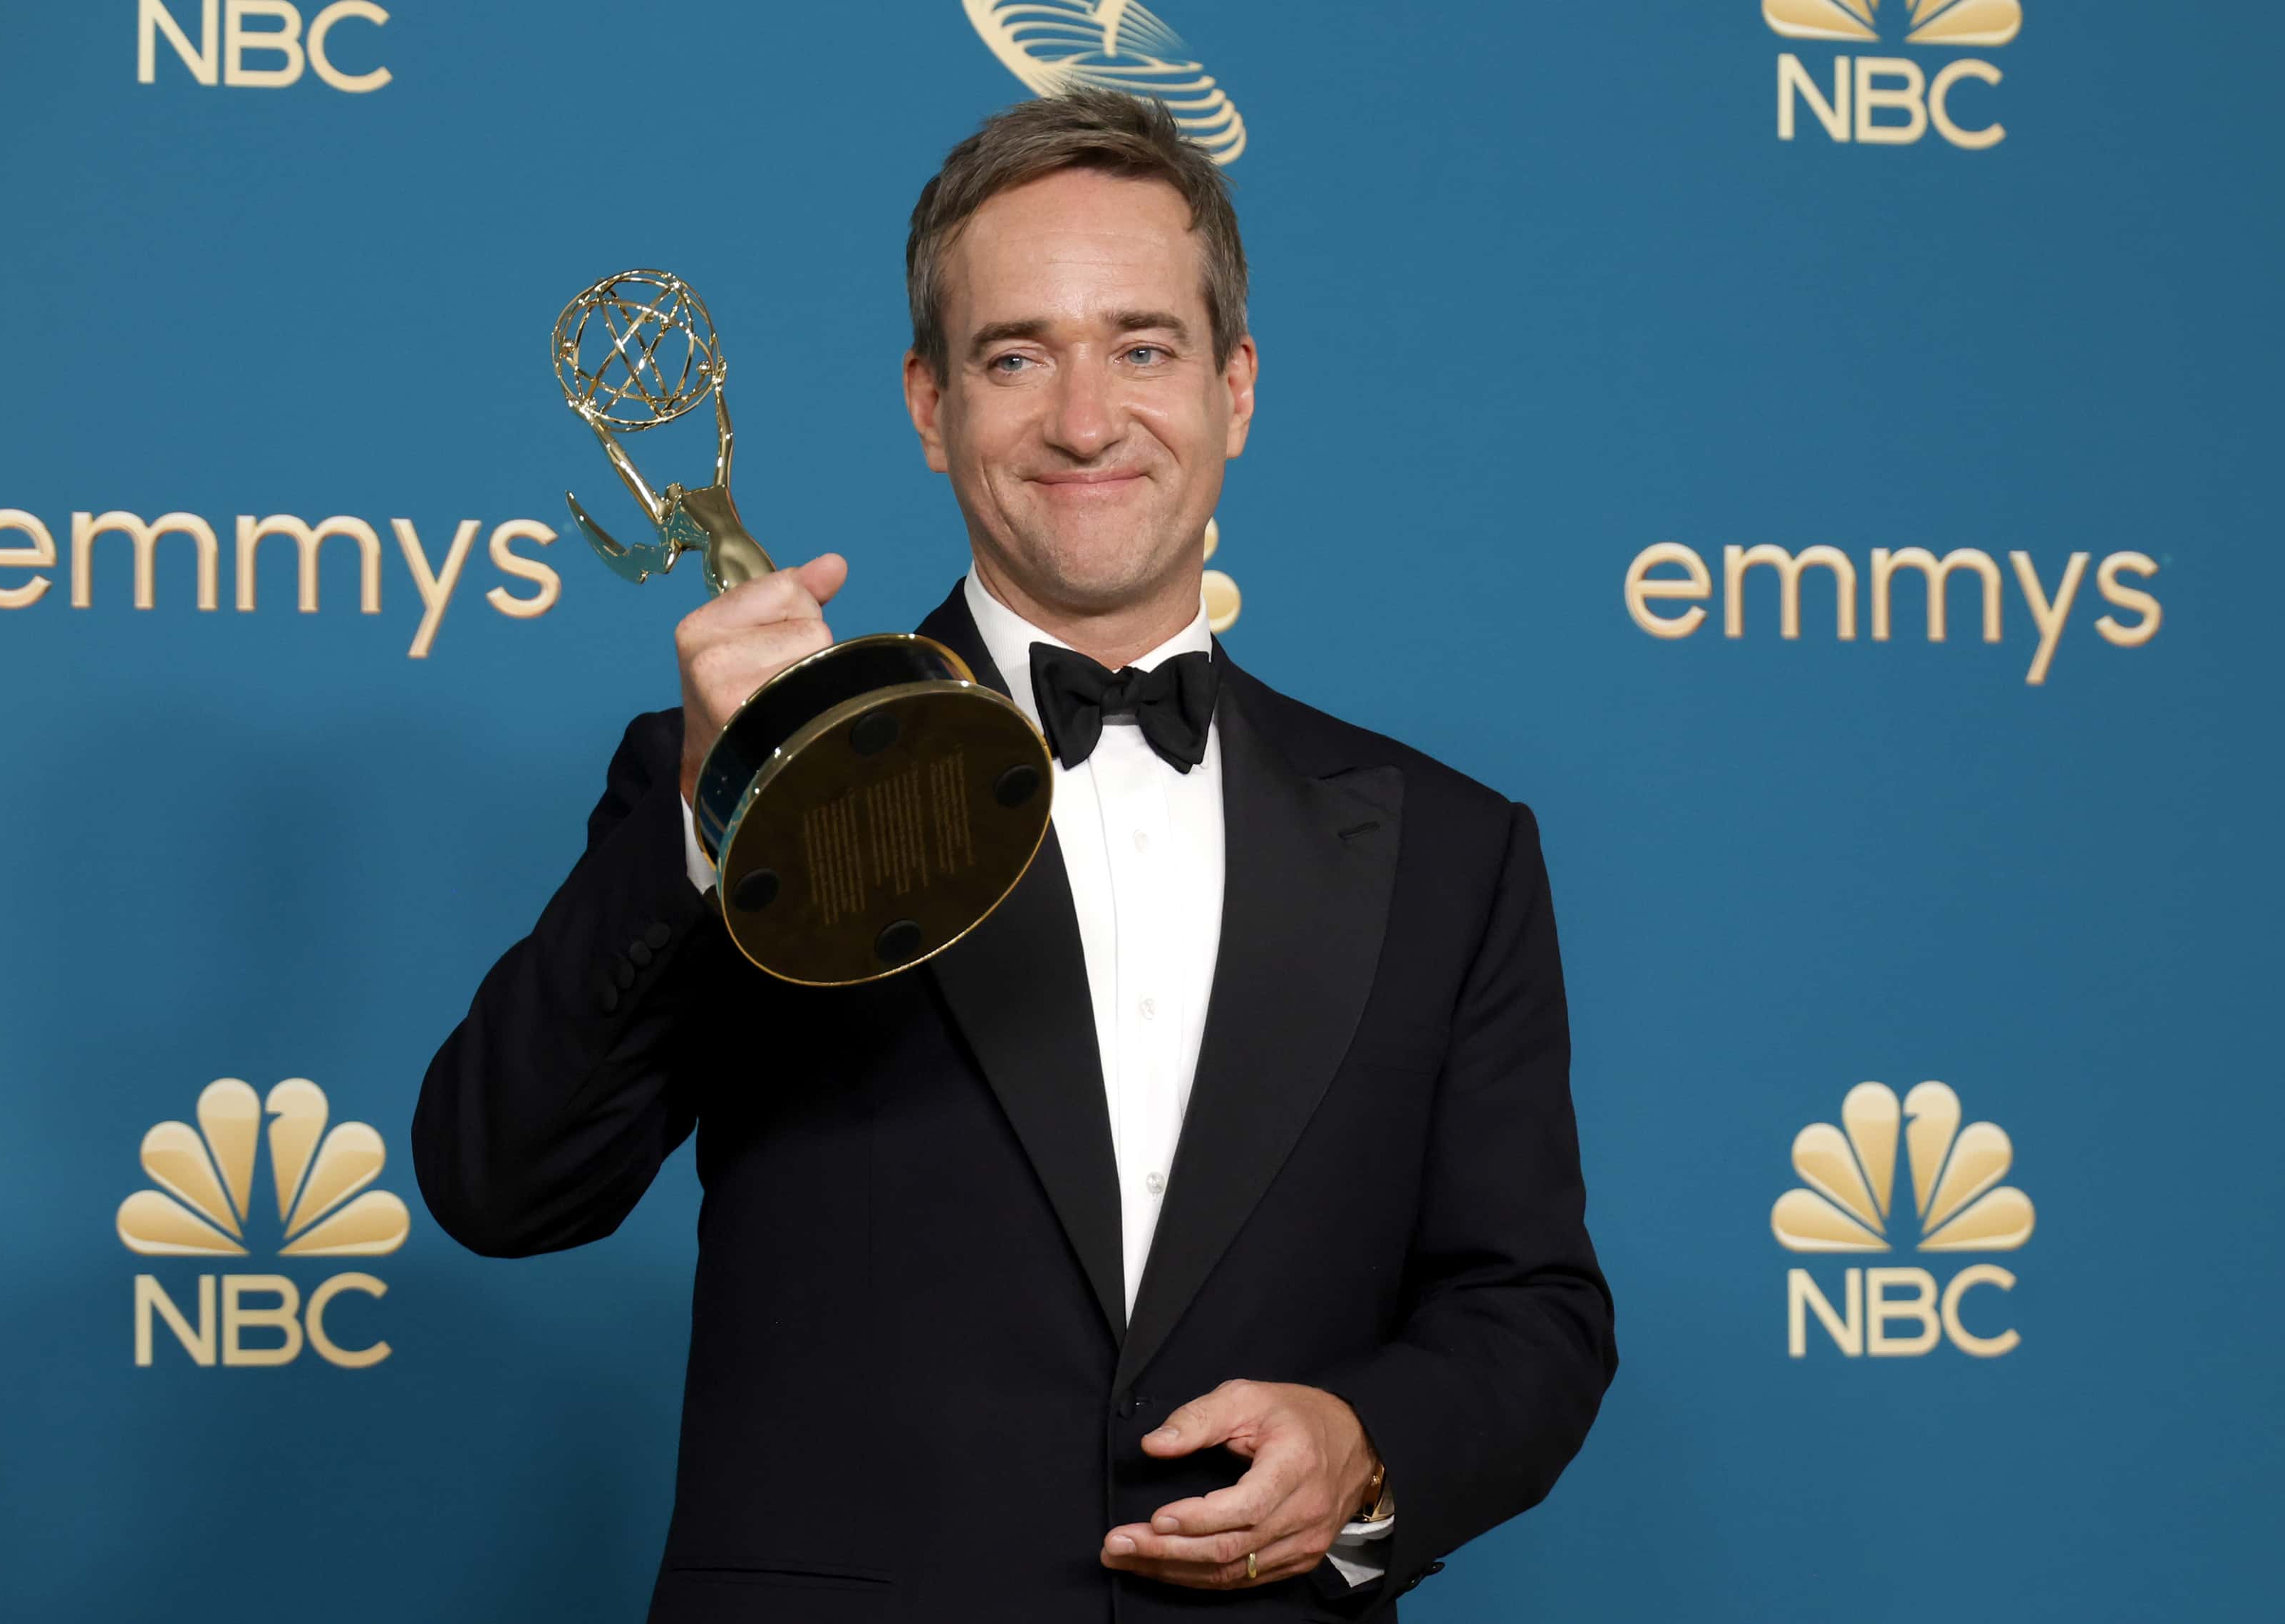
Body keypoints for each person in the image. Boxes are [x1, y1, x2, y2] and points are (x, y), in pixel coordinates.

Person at [414, 88, 1616, 1623]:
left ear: (1234, 390)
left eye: (1141, 346)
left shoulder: (1451, 850)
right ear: (928, 407)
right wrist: (708, 820)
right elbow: (499, 1187)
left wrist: (1366, 1449)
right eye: (1013, 356)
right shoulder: (744, 777)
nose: (1084, 419)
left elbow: (1528, 1312)